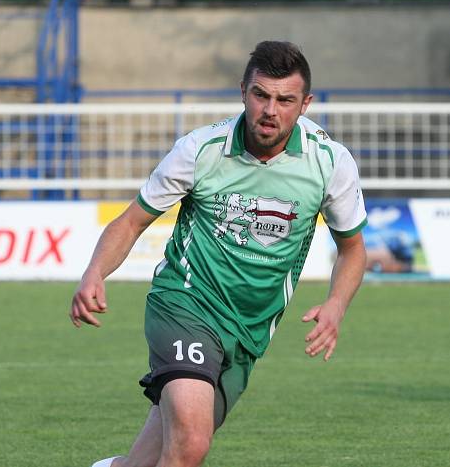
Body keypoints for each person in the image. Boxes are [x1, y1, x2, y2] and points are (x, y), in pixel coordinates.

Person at [70, 40, 367, 467]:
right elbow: (131, 220)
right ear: (243, 91)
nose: (270, 109)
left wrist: (337, 305)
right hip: (186, 302)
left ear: (305, 104)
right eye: (261, 95)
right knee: (191, 443)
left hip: (249, 331)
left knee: (163, 455)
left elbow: (353, 248)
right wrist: (94, 272)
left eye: (285, 100)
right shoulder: (200, 150)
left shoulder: (329, 163)